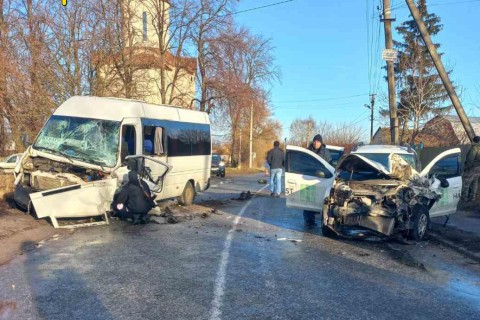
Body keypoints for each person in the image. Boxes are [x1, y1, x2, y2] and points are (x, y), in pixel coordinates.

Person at [303, 134, 331, 227]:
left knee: (321, 200)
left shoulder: (325, 152)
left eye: (318, 141)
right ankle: (308, 219)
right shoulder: (308, 151)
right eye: (315, 141)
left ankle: (324, 220)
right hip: (308, 178)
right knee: (308, 199)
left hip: (322, 179)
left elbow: (329, 164)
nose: (316, 143)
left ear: (321, 142)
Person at [462, 136, 480, 202]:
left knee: (466, 182)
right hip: (478, 168)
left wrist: (466, 168)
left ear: (474, 141)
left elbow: (470, 159)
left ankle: (464, 198)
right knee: (475, 182)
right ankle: (473, 197)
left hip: (473, 167)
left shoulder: (474, 148)